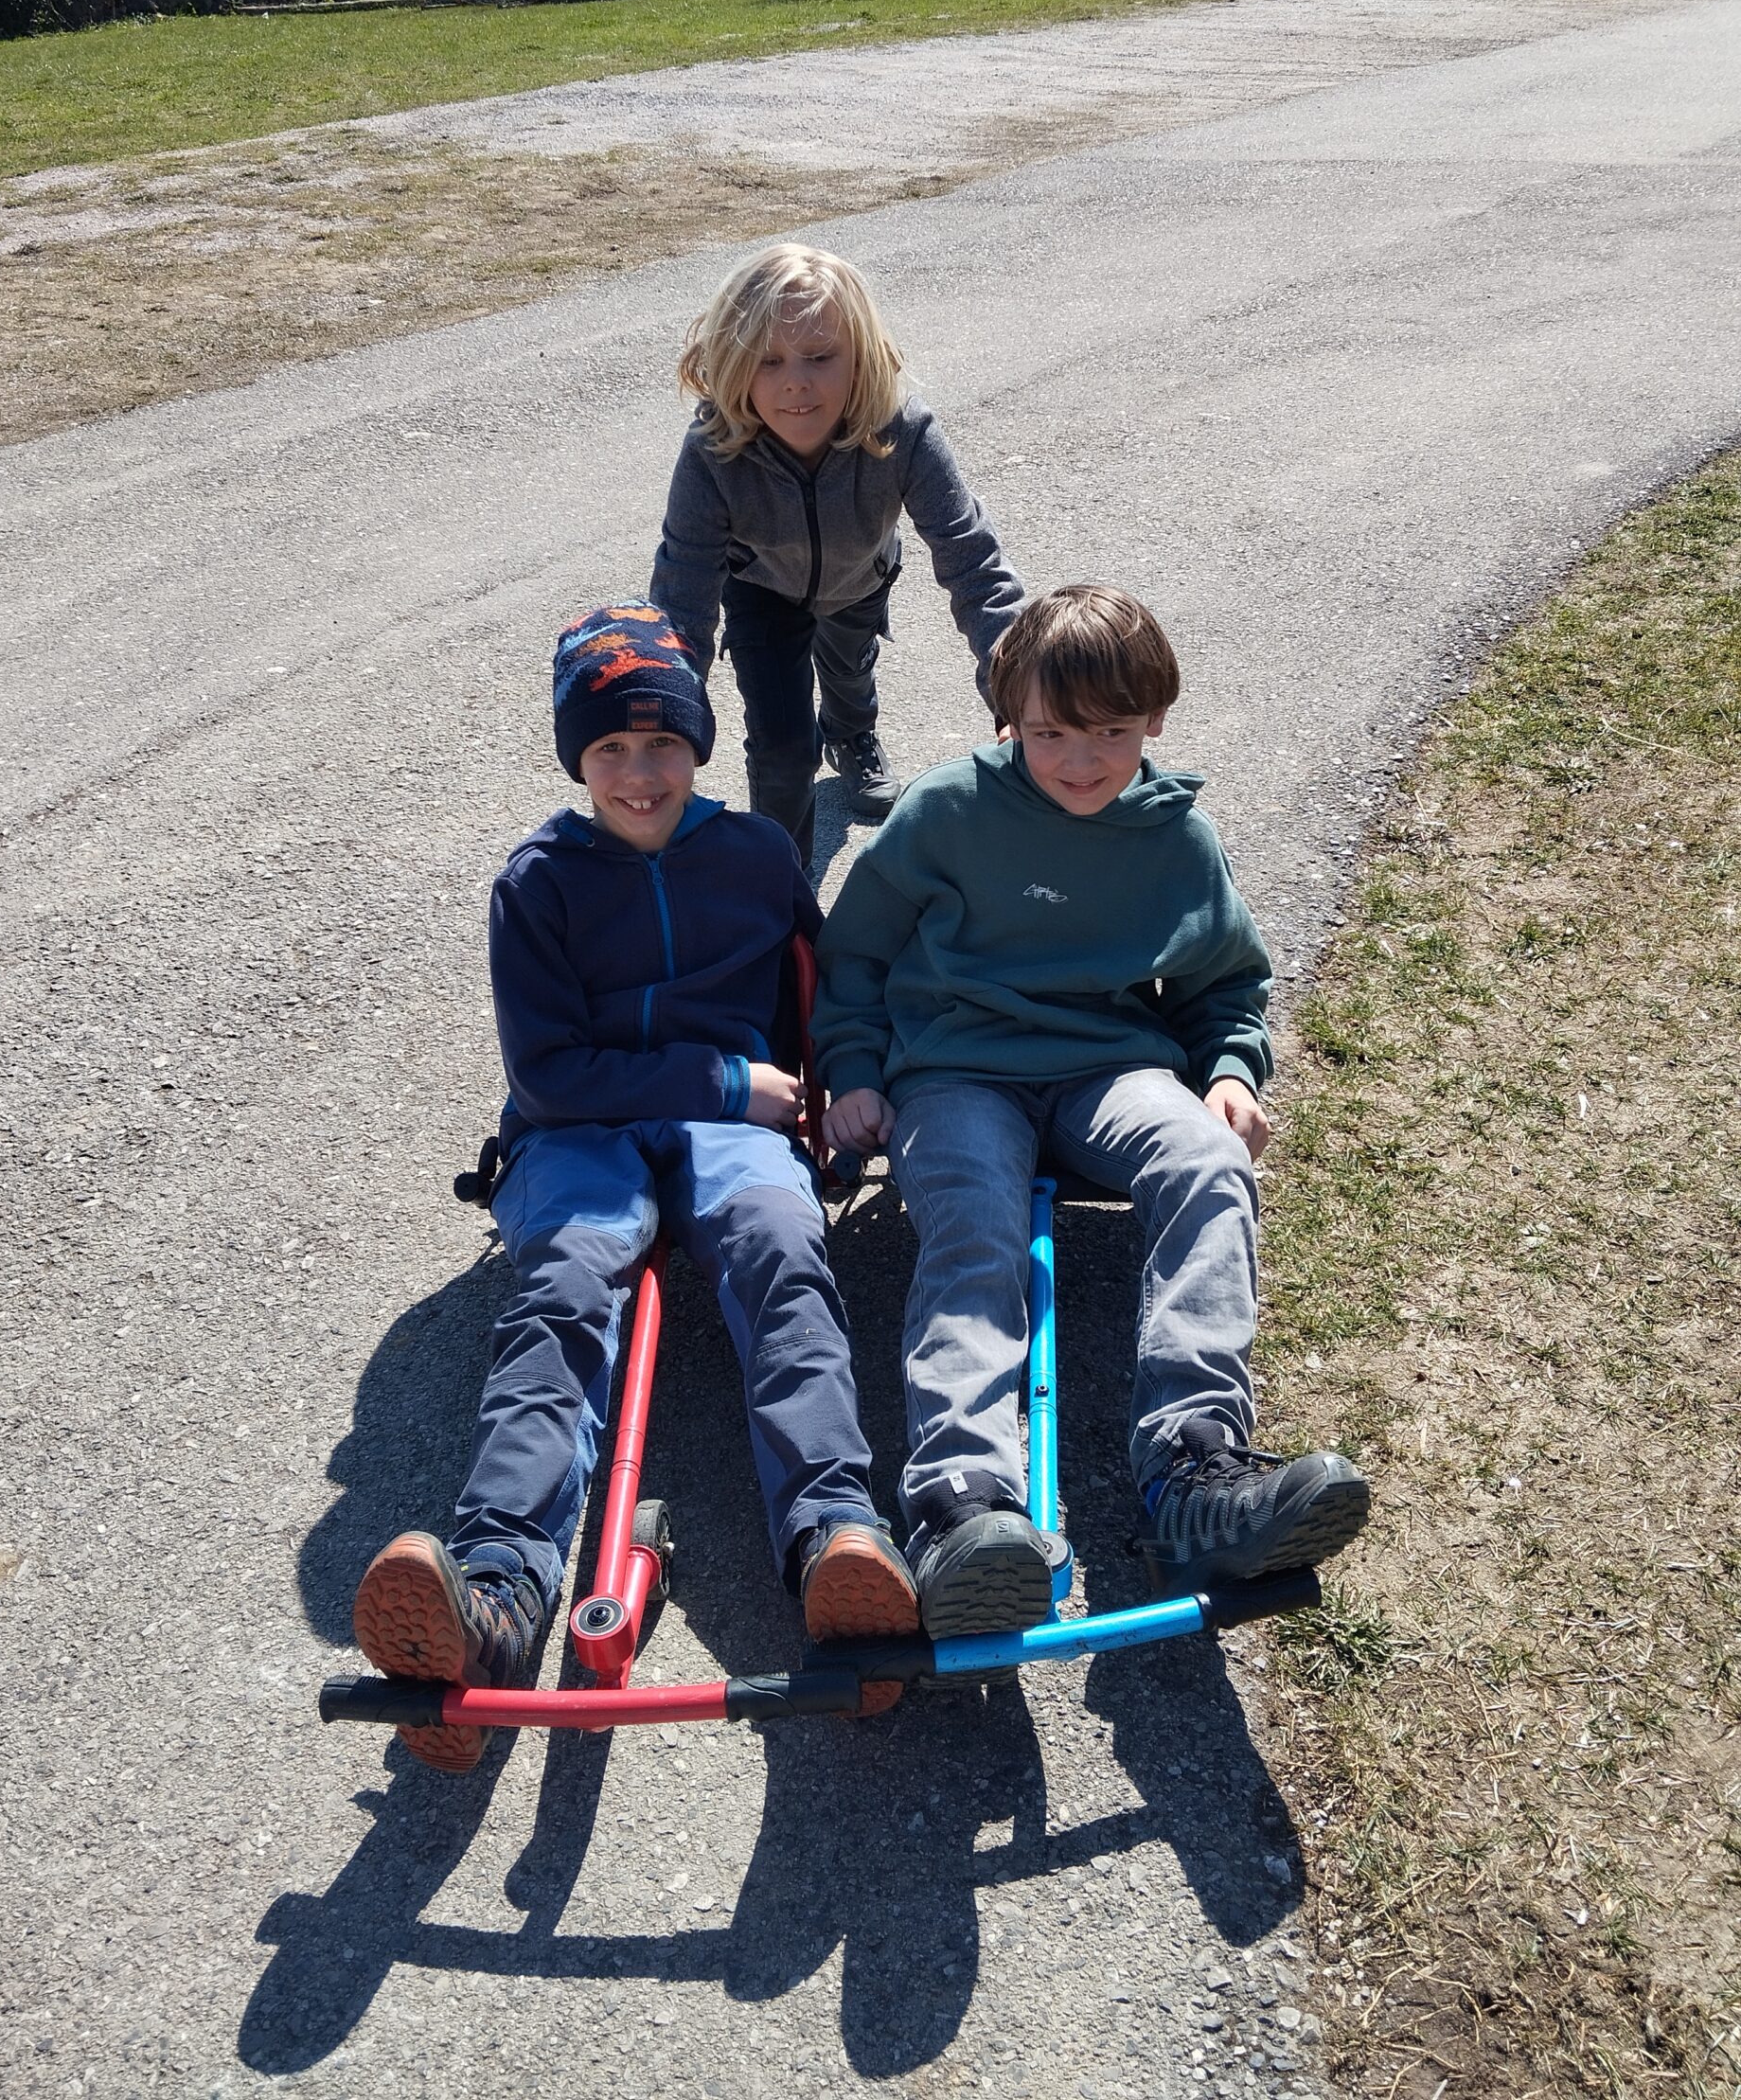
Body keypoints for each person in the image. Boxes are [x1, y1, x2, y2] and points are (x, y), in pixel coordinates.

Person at [353, 605, 917, 1770]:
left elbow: (816, 992)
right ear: (577, 758)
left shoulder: (755, 854)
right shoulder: (537, 883)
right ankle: (497, 1590)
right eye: (609, 748)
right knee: (567, 1279)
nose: (639, 773)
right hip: (581, 1129)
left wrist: (837, 1093)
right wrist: (726, 1078)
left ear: (698, 744)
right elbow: (549, 1075)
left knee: (780, 1243)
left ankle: (834, 1536)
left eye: (662, 742)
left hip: (733, 1130)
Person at [810, 583, 1370, 1637]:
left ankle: (1193, 1468)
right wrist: (854, 1072)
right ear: (1008, 720)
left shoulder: (1175, 839)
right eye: (1050, 734)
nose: (1079, 760)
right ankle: (963, 1505)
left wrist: (1230, 1072)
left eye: (1110, 732)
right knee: (972, 1220)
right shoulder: (945, 812)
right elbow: (854, 956)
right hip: (956, 1071)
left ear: (1153, 718)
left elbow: (1223, 983)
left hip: (1110, 1068)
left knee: (1208, 1163)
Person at [649, 242, 1025, 864]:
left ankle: (851, 736)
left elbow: (974, 564)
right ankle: (781, 885)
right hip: (761, 590)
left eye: (821, 356)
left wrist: (1023, 694)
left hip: (860, 579)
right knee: (782, 747)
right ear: (734, 363)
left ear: (861, 356)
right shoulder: (713, 450)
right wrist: (665, 715)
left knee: (849, 675)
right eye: (768, 360)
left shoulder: (904, 431)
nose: (796, 381)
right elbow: (681, 595)